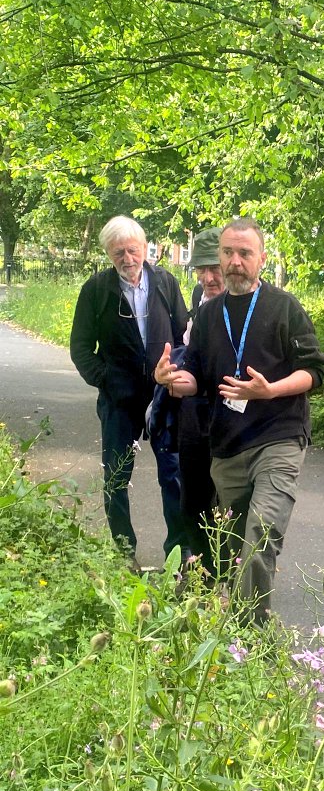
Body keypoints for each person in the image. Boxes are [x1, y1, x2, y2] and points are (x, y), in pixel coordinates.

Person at [153, 217, 324, 622]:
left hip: (279, 437)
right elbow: (196, 377)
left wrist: (270, 390)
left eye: (244, 254)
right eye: (228, 253)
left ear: (261, 259)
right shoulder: (210, 313)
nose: (235, 262)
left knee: (260, 536)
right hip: (228, 445)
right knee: (232, 548)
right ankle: (238, 630)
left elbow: (314, 372)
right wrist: (170, 380)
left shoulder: (285, 308)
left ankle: (251, 639)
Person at [70, 215, 188, 566]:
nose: (127, 258)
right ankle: (125, 553)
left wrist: (175, 376)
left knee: (174, 476)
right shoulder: (96, 290)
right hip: (119, 402)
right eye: (118, 252)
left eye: (132, 250)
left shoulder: (165, 283)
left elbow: (183, 335)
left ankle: (179, 557)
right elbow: (80, 348)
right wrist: (107, 380)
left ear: (144, 248)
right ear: (108, 253)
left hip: (163, 397)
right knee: (117, 477)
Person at [178, 227, 224, 570]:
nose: (208, 278)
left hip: (233, 418)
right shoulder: (199, 297)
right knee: (193, 497)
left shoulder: (252, 304)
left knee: (228, 502)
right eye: (201, 270)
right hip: (195, 414)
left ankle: (228, 575)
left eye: (214, 269)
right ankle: (200, 572)